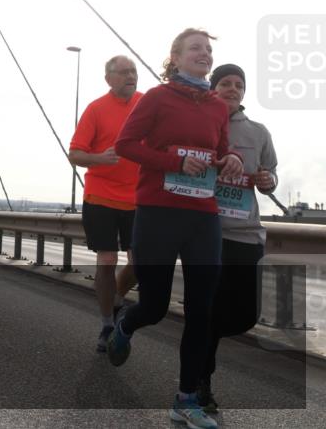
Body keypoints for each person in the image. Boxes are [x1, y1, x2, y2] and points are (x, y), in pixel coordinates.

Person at [107, 29, 243, 429]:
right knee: (155, 306)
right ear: (176, 57)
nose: (205, 53)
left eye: (209, 49)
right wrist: (174, 162)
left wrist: (232, 158)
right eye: (196, 48)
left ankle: (186, 399)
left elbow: (221, 149)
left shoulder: (217, 106)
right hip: (158, 212)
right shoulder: (157, 97)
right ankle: (126, 324)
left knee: (202, 311)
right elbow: (126, 145)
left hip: (203, 216)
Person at [200, 64, 278, 413]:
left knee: (245, 315)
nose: (233, 89)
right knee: (209, 310)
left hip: (246, 234)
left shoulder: (258, 132)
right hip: (206, 232)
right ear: (213, 88)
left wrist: (268, 181)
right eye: (225, 83)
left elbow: (271, 173)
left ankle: (204, 336)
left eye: (239, 85)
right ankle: (200, 382)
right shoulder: (199, 124)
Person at [68, 55, 142, 352]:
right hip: (100, 196)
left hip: (139, 198)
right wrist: (100, 158)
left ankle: (117, 300)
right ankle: (107, 324)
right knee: (107, 260)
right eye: (124, 72)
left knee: (140, 262)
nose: (131, 76)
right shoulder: (96, 109)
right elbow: (75, 154)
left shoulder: (146, 104)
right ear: (109, 78)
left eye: (133, 71)